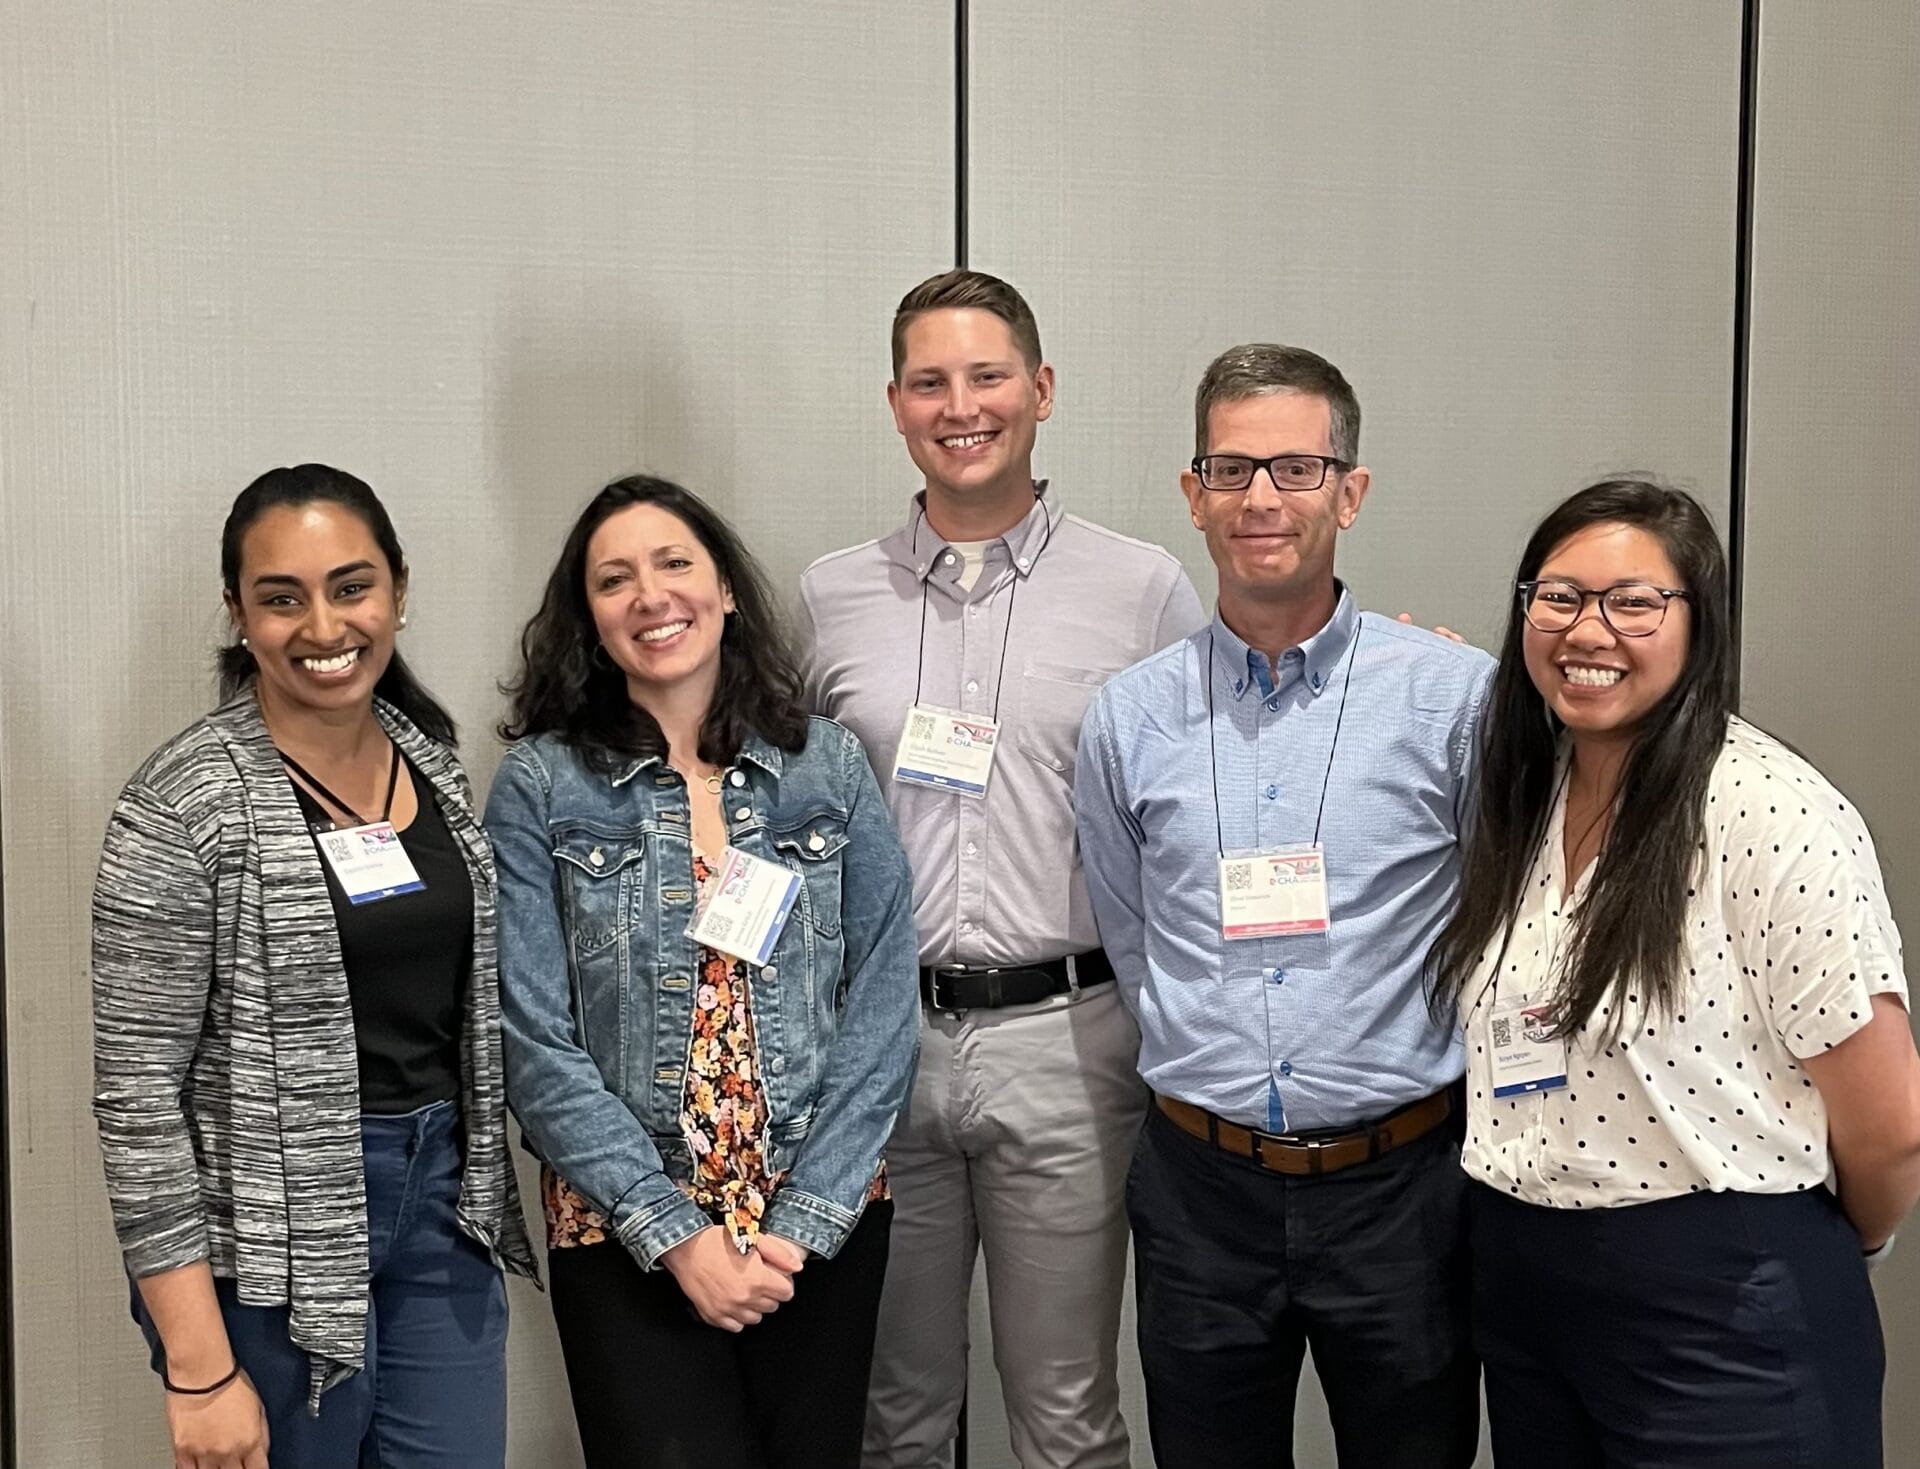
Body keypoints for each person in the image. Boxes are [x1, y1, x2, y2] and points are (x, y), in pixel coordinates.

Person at [1427, 476, 1920, 1468]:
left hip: (1723, 1304)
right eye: (1558, 596)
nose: (1587, 629)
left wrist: (1817, 1245)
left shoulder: (1772, 815)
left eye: (1634, 601)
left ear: (1700, 621)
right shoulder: (1530, 790)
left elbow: (1893, 1126)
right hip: (1527, 1292)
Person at [798, 269, 1203, 1468]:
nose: (959, 404)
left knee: (1066, 1411)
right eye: (930, 380)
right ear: (894, 402)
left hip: (1069, 1044)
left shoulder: (1141, 591)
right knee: (896, 1409)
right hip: (877, 1052)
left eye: (986, 376)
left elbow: (1217, 794)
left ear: (1041, 389)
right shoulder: (829, 597)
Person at [1074, 344, 1490, 1468]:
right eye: (1232, 467)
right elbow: (1132, 931)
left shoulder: (1456, 697)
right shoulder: (1130, 717)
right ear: (1193, 494)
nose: (1262, 497)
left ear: (1350, 492)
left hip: (1403, 1189)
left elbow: (1504, 921)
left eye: (1297, 467)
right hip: (1199, 1189)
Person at [91, 464, 537, 1469]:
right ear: (238, 613)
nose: (323, 624)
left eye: (350, 585)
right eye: (280, 597)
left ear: (399, 591)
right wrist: (199, 1367)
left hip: (444, 1205)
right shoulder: (183, 804)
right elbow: (137, 1100)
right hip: (270, 1242)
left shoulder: (432, 763)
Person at [488, 474, 919, 1469]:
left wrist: (802, 1223)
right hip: (625, 1224)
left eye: (675, 562)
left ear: (725, 589)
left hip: (821, 1213)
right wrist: (675, 1232)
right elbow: (531, 1038)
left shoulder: (828, 765)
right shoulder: (545, 786)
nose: (651, 595)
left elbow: (886, 1001)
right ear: (589, 621)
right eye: (615, 578)